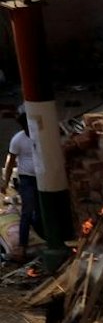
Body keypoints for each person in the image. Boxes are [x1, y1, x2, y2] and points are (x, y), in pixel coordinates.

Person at [3, 110, 39, 263]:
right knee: (27, 210)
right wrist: (5, 182)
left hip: (43, 178)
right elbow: (11, 162)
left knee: (40, 210)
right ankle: (22, 245)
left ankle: (41, 236)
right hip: (27, 179)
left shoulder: (41, 136)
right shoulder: (18, 140)